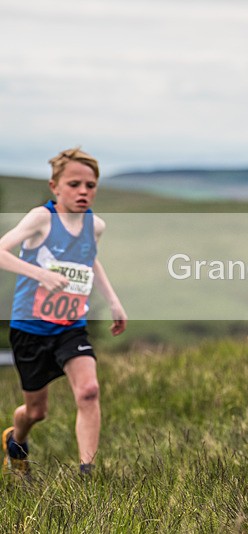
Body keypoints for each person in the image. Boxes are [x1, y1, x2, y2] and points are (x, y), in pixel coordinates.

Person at [0, 147, 127, 478]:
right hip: (31, 329)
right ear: (55, 186)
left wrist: (113, 299)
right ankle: (16, 441)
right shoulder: (41, 219)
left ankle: (88, 473)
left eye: (90, 185)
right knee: (36, 411)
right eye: (74, 184)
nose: (83, 192)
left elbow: (90, 259)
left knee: (89, 391)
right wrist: (40, 274)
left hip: (70, 325)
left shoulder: (95, 225)